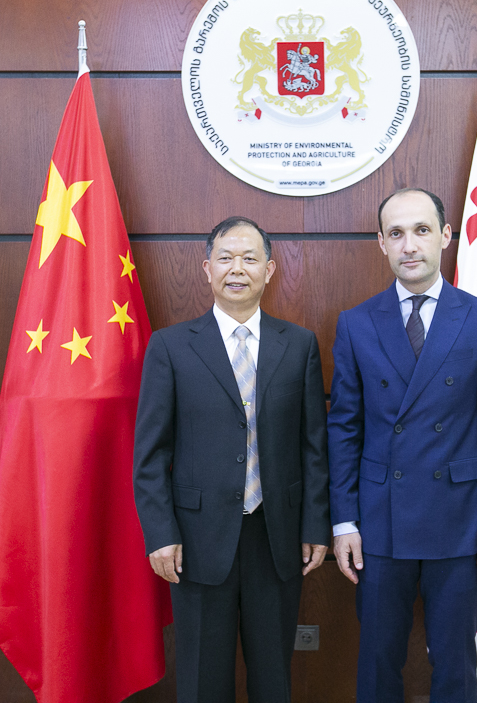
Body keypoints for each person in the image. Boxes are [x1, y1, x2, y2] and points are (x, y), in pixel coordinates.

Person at [328, 188, 477, 702]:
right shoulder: (356, 322)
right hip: (378, 521)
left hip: (459, 519)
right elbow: (343, 427)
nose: (409, 245)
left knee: (455, 665)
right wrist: (344, 522)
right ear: (381, 243)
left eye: (421, 230)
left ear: (445, 235)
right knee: (377, 663)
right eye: (396, 233)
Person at [133, 216, 330, 703]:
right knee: (203, 682)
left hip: (276, 537)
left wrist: (315, 526)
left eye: (249, 258)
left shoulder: (299, 344)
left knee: (273, 679)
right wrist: (160, 533)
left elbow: (313, 448)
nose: (236, 269)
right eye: (225, 258)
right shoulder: (171, 346)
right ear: (207, 269)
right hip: (196, 541)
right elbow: (151, 454)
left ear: (269, 270)